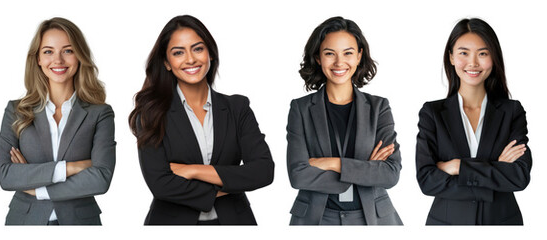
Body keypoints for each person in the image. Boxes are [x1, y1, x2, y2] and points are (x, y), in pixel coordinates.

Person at [129, 15, 274, 225]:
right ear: (167, 63)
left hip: (234, 222)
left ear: (210, 54)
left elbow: (263, 171)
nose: (190, 59)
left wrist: (192, 170)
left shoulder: (237, 108)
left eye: (197, 48)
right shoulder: (151, 113)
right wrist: (231, 183)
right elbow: (160, 184)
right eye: (178, 52)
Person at [0, 17, 115, 225]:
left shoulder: (100, 113)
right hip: (24, 223)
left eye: (68, 51)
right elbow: (6, 175)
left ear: (79, 56)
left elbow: (101, 179)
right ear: (38, 59)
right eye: (48, 51)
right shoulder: (16, 110)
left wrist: (35, 186)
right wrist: (72, 167)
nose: (58, 60)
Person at [286, 16, 402, 225]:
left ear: (359, 56)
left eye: (348, 53)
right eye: (330, 53)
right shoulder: (300, 109)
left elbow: (389, 174)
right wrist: (364, 169)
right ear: (318, 58)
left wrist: (332, 163)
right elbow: (298, 175)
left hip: (372, 217)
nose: (339, 62)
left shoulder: (379, 108)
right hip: (317, 218)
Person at [416, 18, 531, 225]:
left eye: (483, 53)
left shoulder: (511, 111)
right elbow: (427, 180)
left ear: (493, 58)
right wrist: (495, 169)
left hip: (502, 224)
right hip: (446, 225)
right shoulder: (432, 113)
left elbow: (519, 176)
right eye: (463, 53)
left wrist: (458, 166)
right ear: (451, 57)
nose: (473, 63)